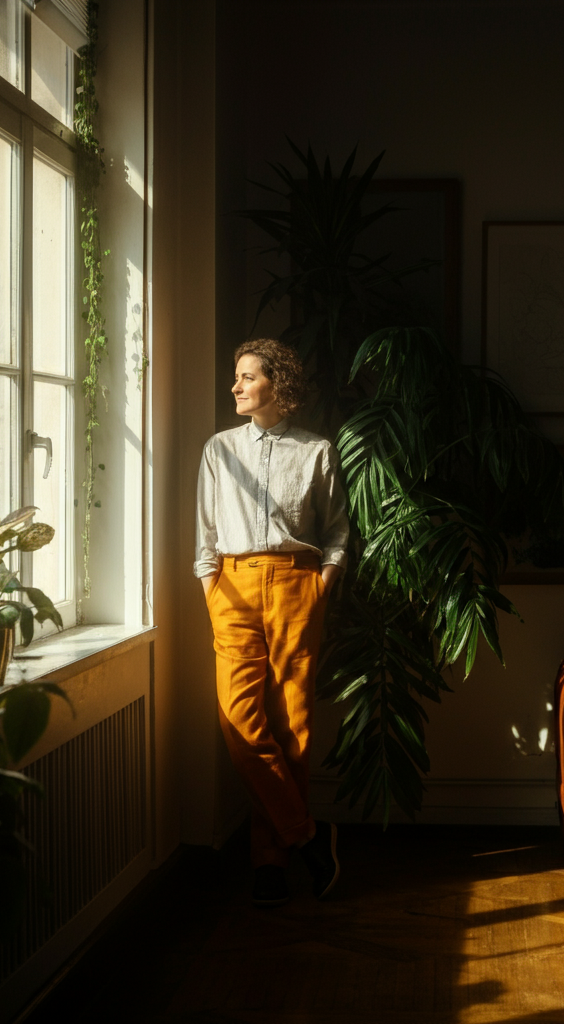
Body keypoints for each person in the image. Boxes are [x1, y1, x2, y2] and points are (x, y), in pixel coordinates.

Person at [194, 338, 350, 906]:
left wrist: (321, 583)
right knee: (241, 724)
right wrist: (214, 591)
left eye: (246, 376)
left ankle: (269, 861)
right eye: (236, 377)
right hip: (231, 587)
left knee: (292, 726)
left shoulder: (316, 451)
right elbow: (204, 537)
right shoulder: (219, 449)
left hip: (295, 583)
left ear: (276, 386)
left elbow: (335, 532)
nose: (235, 386)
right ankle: (309, 834)